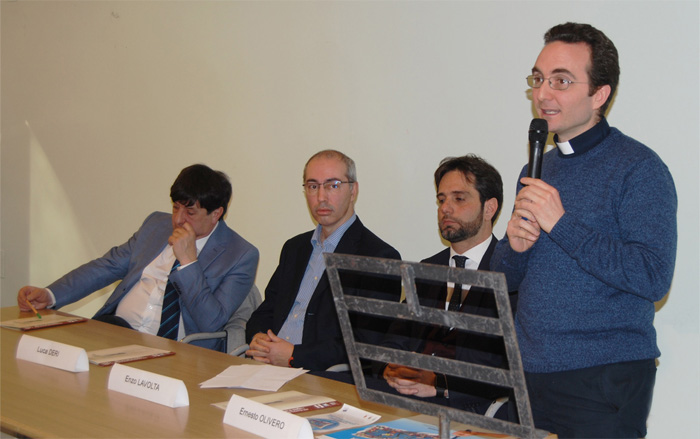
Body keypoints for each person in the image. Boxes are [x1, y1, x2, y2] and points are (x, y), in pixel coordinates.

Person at [490, 22, 677, 437]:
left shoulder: (639, 168)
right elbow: (502, 281)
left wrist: (562, 224)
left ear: (599, 94)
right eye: (538, 79)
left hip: (603, 379)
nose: (542, 94)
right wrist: (514, 248)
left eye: (561, 81)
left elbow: (652, 276)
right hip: (529, 372)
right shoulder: (536, 168)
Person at [18, 164, 260, 352]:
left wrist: (189, 262)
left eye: (190, 212)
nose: (178, 220)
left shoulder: (240, 255)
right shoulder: (155, 225)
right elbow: (106, 267)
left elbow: (211, 322)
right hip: (116, 333)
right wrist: (50, 295)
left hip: (177, 351)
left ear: (216, 214)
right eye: (175, 208)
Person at [245, 149, 401, 371]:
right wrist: (259, 337)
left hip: (318, 376)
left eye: (332, 185)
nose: (321, 197)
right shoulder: (294, 248)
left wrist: (294, 356)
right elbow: (265, 311)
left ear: (353, 190)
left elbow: (364, 343)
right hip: (267, 367)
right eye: (313, 186)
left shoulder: (379, 257)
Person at [380, 154, 511, 417]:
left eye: (459, 199)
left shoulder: (511, 274)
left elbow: (508, 366)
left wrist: (442, 384)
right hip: (406, 401)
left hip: (469, 409)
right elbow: (396, 337)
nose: (445, 209)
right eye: (441, 200)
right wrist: (395, 367)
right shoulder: (427, 268)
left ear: (489, 208)